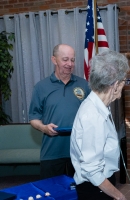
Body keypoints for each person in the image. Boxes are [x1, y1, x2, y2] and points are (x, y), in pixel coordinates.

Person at [70, 50, 129, 200]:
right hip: (95, 189)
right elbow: (92, 170)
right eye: (125, 81)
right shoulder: (93, 115)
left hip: (102, 184)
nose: (124, 86)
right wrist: (119, 196)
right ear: (115, 84)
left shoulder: (99, 106)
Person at [29, 44, 90, 179]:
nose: (70, 64)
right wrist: (44, 128)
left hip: (80, 153)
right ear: (54, 59)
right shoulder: (41, 87)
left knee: (80, 194)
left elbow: (93, 115)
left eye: (72, 60)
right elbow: (33, 117)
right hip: (51, 153)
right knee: (52, 193)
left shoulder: (84, 85)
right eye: (65, 59)